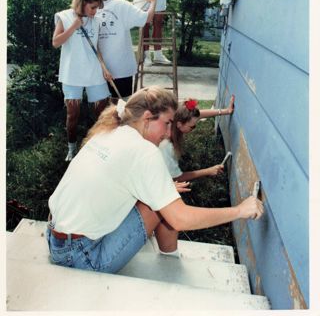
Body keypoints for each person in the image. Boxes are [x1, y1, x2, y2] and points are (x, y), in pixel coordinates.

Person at [47, 86, 263, 274]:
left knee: (161, 195)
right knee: (162, 206)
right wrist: (239, 211)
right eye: (167, 123)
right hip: (82, 258)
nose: (169, 133)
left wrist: (164, 190)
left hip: (56, 239)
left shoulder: (109, 132)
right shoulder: (144, 151)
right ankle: (170, 266)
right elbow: (180, 219)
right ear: (147, 118)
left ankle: (169, 258)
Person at [52, 0, 112, 161]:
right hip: (72, 73)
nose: (95, 11)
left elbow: (95, 48)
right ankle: (71, 149)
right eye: (93, 7)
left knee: (102, 114)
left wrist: (104, 68)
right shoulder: (64, 16)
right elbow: (55, 42)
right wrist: (73, 27)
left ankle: (99, 147)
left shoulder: (97, 19)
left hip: (94, 72)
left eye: (97, 8)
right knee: (73, 115)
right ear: (82, 3)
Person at [92, 0, 156, 100]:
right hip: (121, 70)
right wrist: (153, 1)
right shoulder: (121, 5)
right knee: (121, 107)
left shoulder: (93, 6)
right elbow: (147, 18)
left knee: (103, 108)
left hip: (99, 69)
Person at [159, 95, 235, 192]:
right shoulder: (167, 146)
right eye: (192, 127)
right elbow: (176, 178)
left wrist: (226, 111)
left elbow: (199, 115)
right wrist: (208, 171)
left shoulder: (174, 120)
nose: (194, 128)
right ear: (179, 124)